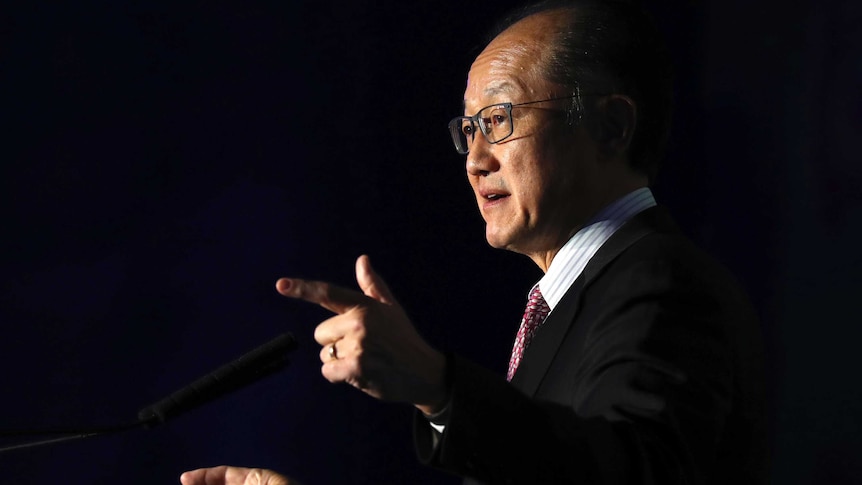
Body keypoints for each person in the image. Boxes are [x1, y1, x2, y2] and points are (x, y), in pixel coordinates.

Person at [182, 1, 767, 484]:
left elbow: (629, 473)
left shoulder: (660, 281)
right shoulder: (573, 301)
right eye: (470, 129)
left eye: (501, 119)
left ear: (611, 127)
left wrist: (440, 388)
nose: (476, 160)